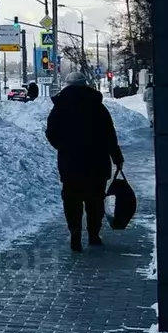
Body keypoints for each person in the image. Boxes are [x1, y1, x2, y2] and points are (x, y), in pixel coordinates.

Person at [46, 70, 125, 252]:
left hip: (70, 162)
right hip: (96, 161)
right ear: (85, 84)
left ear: (67, 84)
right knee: (95, 199)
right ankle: (94, 234)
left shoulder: (60, 107)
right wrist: (117, 157)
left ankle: (75, 230)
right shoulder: (97, 107)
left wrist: (64, 147)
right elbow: (109, 135)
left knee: (71, 198)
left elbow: (51, 132)